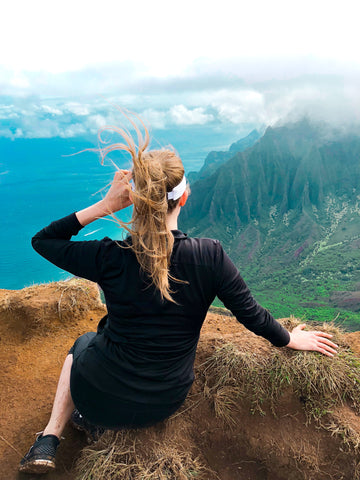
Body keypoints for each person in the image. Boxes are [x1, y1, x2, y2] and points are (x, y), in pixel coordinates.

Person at [19, 118, 338, 474]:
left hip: (98, 398)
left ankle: (50, 437)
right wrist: (291, 339)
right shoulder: (209, 256)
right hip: (164, 401)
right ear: (184, 196)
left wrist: (106, 206)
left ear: (134, 201)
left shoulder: (109, 256)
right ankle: (86, 421)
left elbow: (43, 241)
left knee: (83, 342)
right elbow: (251, 315)